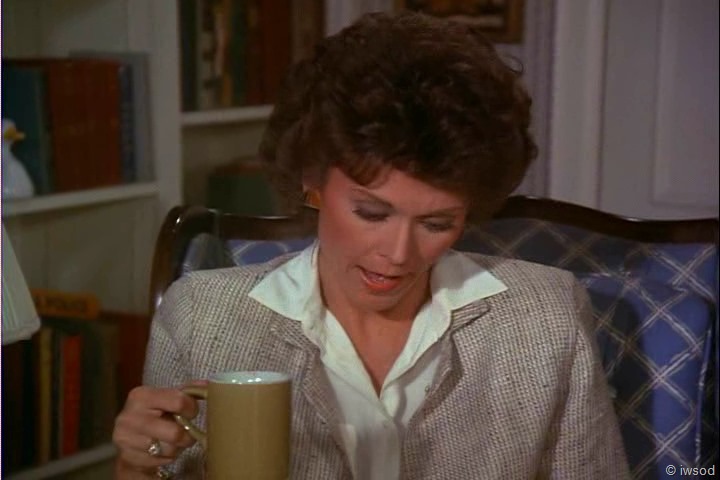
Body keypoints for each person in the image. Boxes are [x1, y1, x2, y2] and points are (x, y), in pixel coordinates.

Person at [112, 10, 630, 479]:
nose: (399, 254)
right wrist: (135, 467)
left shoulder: (546, 316)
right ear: (313, 182)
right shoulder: (201, 316)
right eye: (372, 213)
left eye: (437, 222)